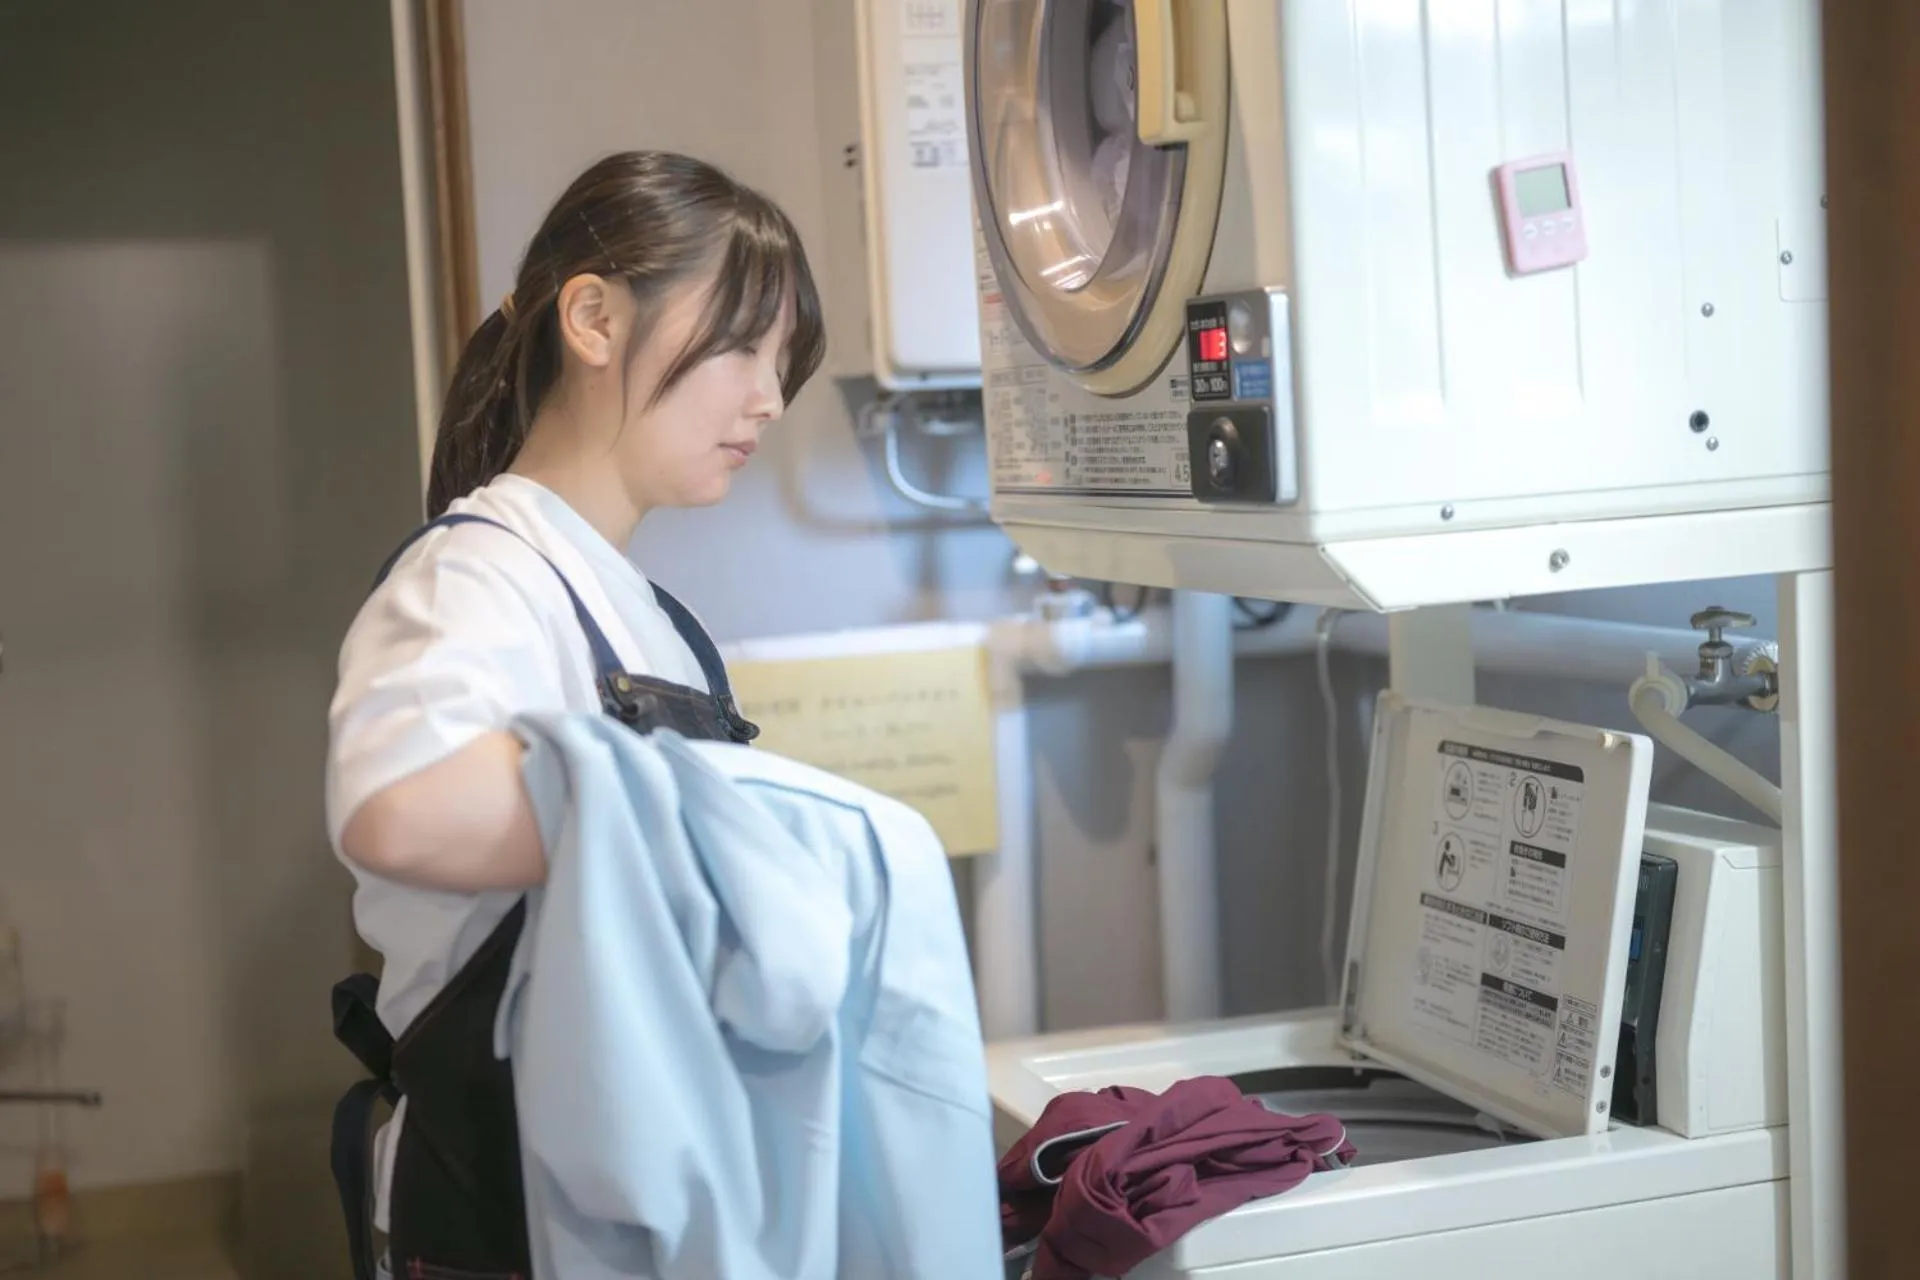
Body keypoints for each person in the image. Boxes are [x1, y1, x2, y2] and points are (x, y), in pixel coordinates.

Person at [324, 150, 825, 1280]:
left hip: (634, 1191)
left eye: (783, 357)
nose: (771, 396)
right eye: (745, 343)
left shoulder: (652, 615)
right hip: (503, 1213)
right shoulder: (475, 578)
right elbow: (393, 811)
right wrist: (715, 832)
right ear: (593, 318)